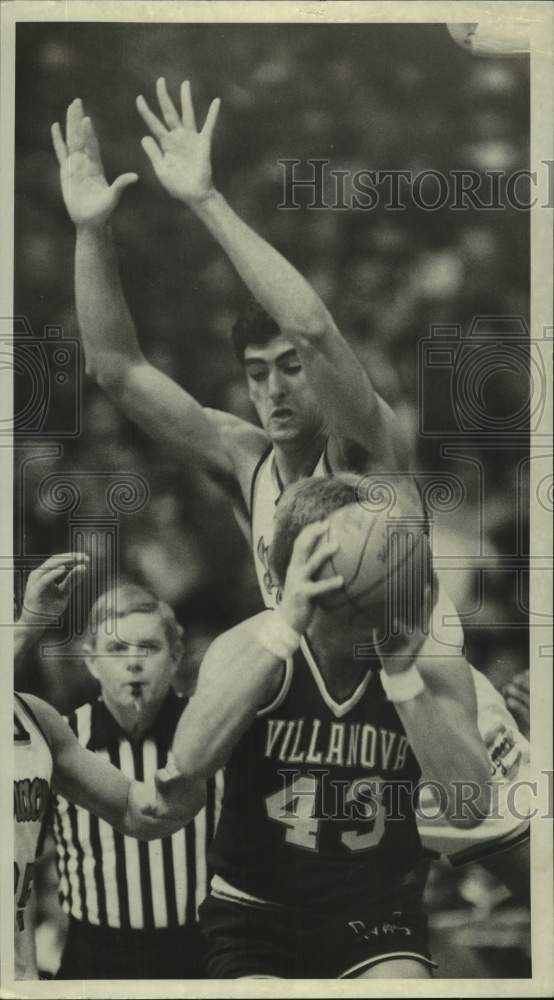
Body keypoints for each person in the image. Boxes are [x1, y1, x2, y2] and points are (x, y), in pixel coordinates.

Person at [50, 84, 530, 894]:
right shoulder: (247, 461)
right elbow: (118, 370)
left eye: (289, 372)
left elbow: (311, 325)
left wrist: (204, 201)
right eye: (256, 375)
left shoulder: (372, 449)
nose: (272, 391)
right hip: (328, 730)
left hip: (429, 701)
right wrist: (93, 231)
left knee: (537, 892)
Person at [163, 474, 493, 979]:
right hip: (256, 913)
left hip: (375, 915)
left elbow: (469, 809)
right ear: (304, 564)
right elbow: (189, 762)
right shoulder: (251, 647)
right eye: (375, 548)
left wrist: (403, 681)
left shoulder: (434, 666)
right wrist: (285, 626)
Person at [14, 553, 204, 981]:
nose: (133, 662)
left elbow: (138, 812)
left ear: (176, 656)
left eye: (148, 648)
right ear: (90, 660)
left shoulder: (209, 733)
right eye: (117, 648)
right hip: (96, 950)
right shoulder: (63, 733)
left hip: (196, 946)